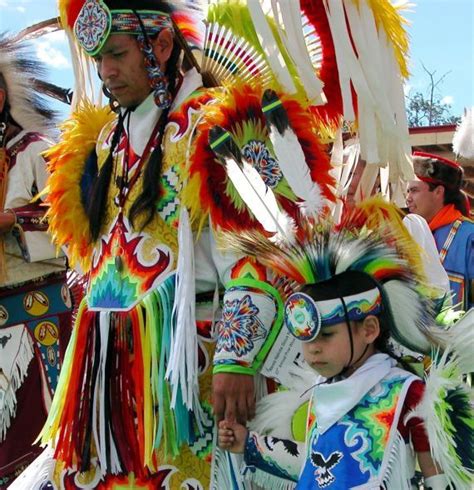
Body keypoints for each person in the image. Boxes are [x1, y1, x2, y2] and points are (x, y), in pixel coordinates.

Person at [10, 1, 339, 488]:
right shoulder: (104, 142)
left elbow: (263, 250)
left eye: (118, 54)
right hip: (105, 375)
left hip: (192, 368)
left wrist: (236, 358)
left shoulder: (219, 124)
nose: (107, 71)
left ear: (162, 46)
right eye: (99, 58)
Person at [217, 202, 473, 489]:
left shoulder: (407, 393)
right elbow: (318, 468)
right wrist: (249, 444)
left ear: (369, 330)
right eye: (306, 338)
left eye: (326, 335)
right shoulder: (318, 392)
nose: (312, 349)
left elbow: (436, 475)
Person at [0, 35, 72, 488]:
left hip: (38, 312)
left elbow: (66, 219)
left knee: (41, 438)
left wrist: (9, 220)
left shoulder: (34, 150)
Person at [406, 151, 473, 310]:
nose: (407, 198)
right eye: (407, 191)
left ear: (438, 192)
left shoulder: (469, 237)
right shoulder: (408, 236)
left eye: (414, 190)